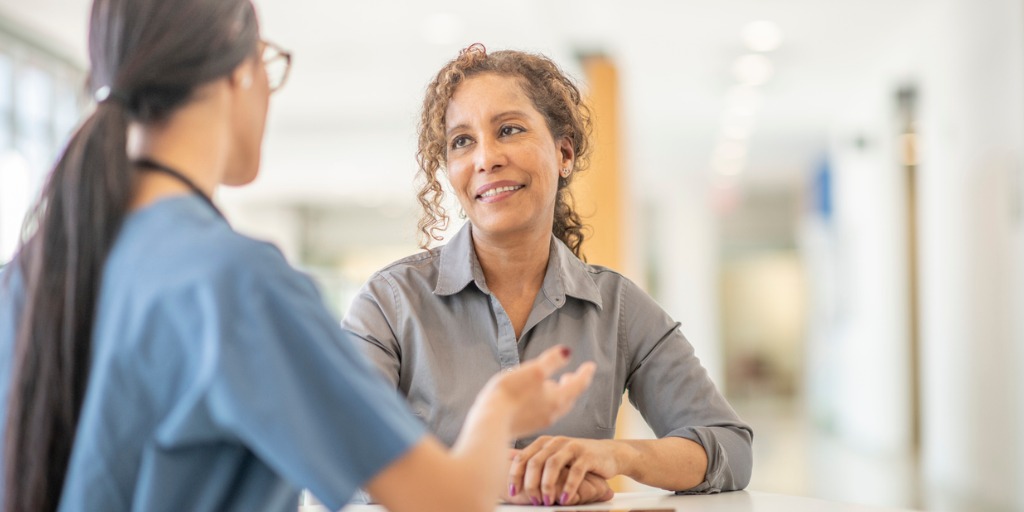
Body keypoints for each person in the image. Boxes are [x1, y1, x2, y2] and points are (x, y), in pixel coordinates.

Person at [0, 3, 596, 512]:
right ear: (240, 72)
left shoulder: (30, 274)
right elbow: (444, 499)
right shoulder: (238, 285)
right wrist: (500, 410)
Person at [341, 44, 753, 507]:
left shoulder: (618, 308)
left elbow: (729, 448)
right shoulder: (389, 303)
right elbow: (343, 457)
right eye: (462, 141)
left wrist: (615, 456)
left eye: (509, 129)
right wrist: (505, 479)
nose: (485, 158)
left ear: (563, 154)